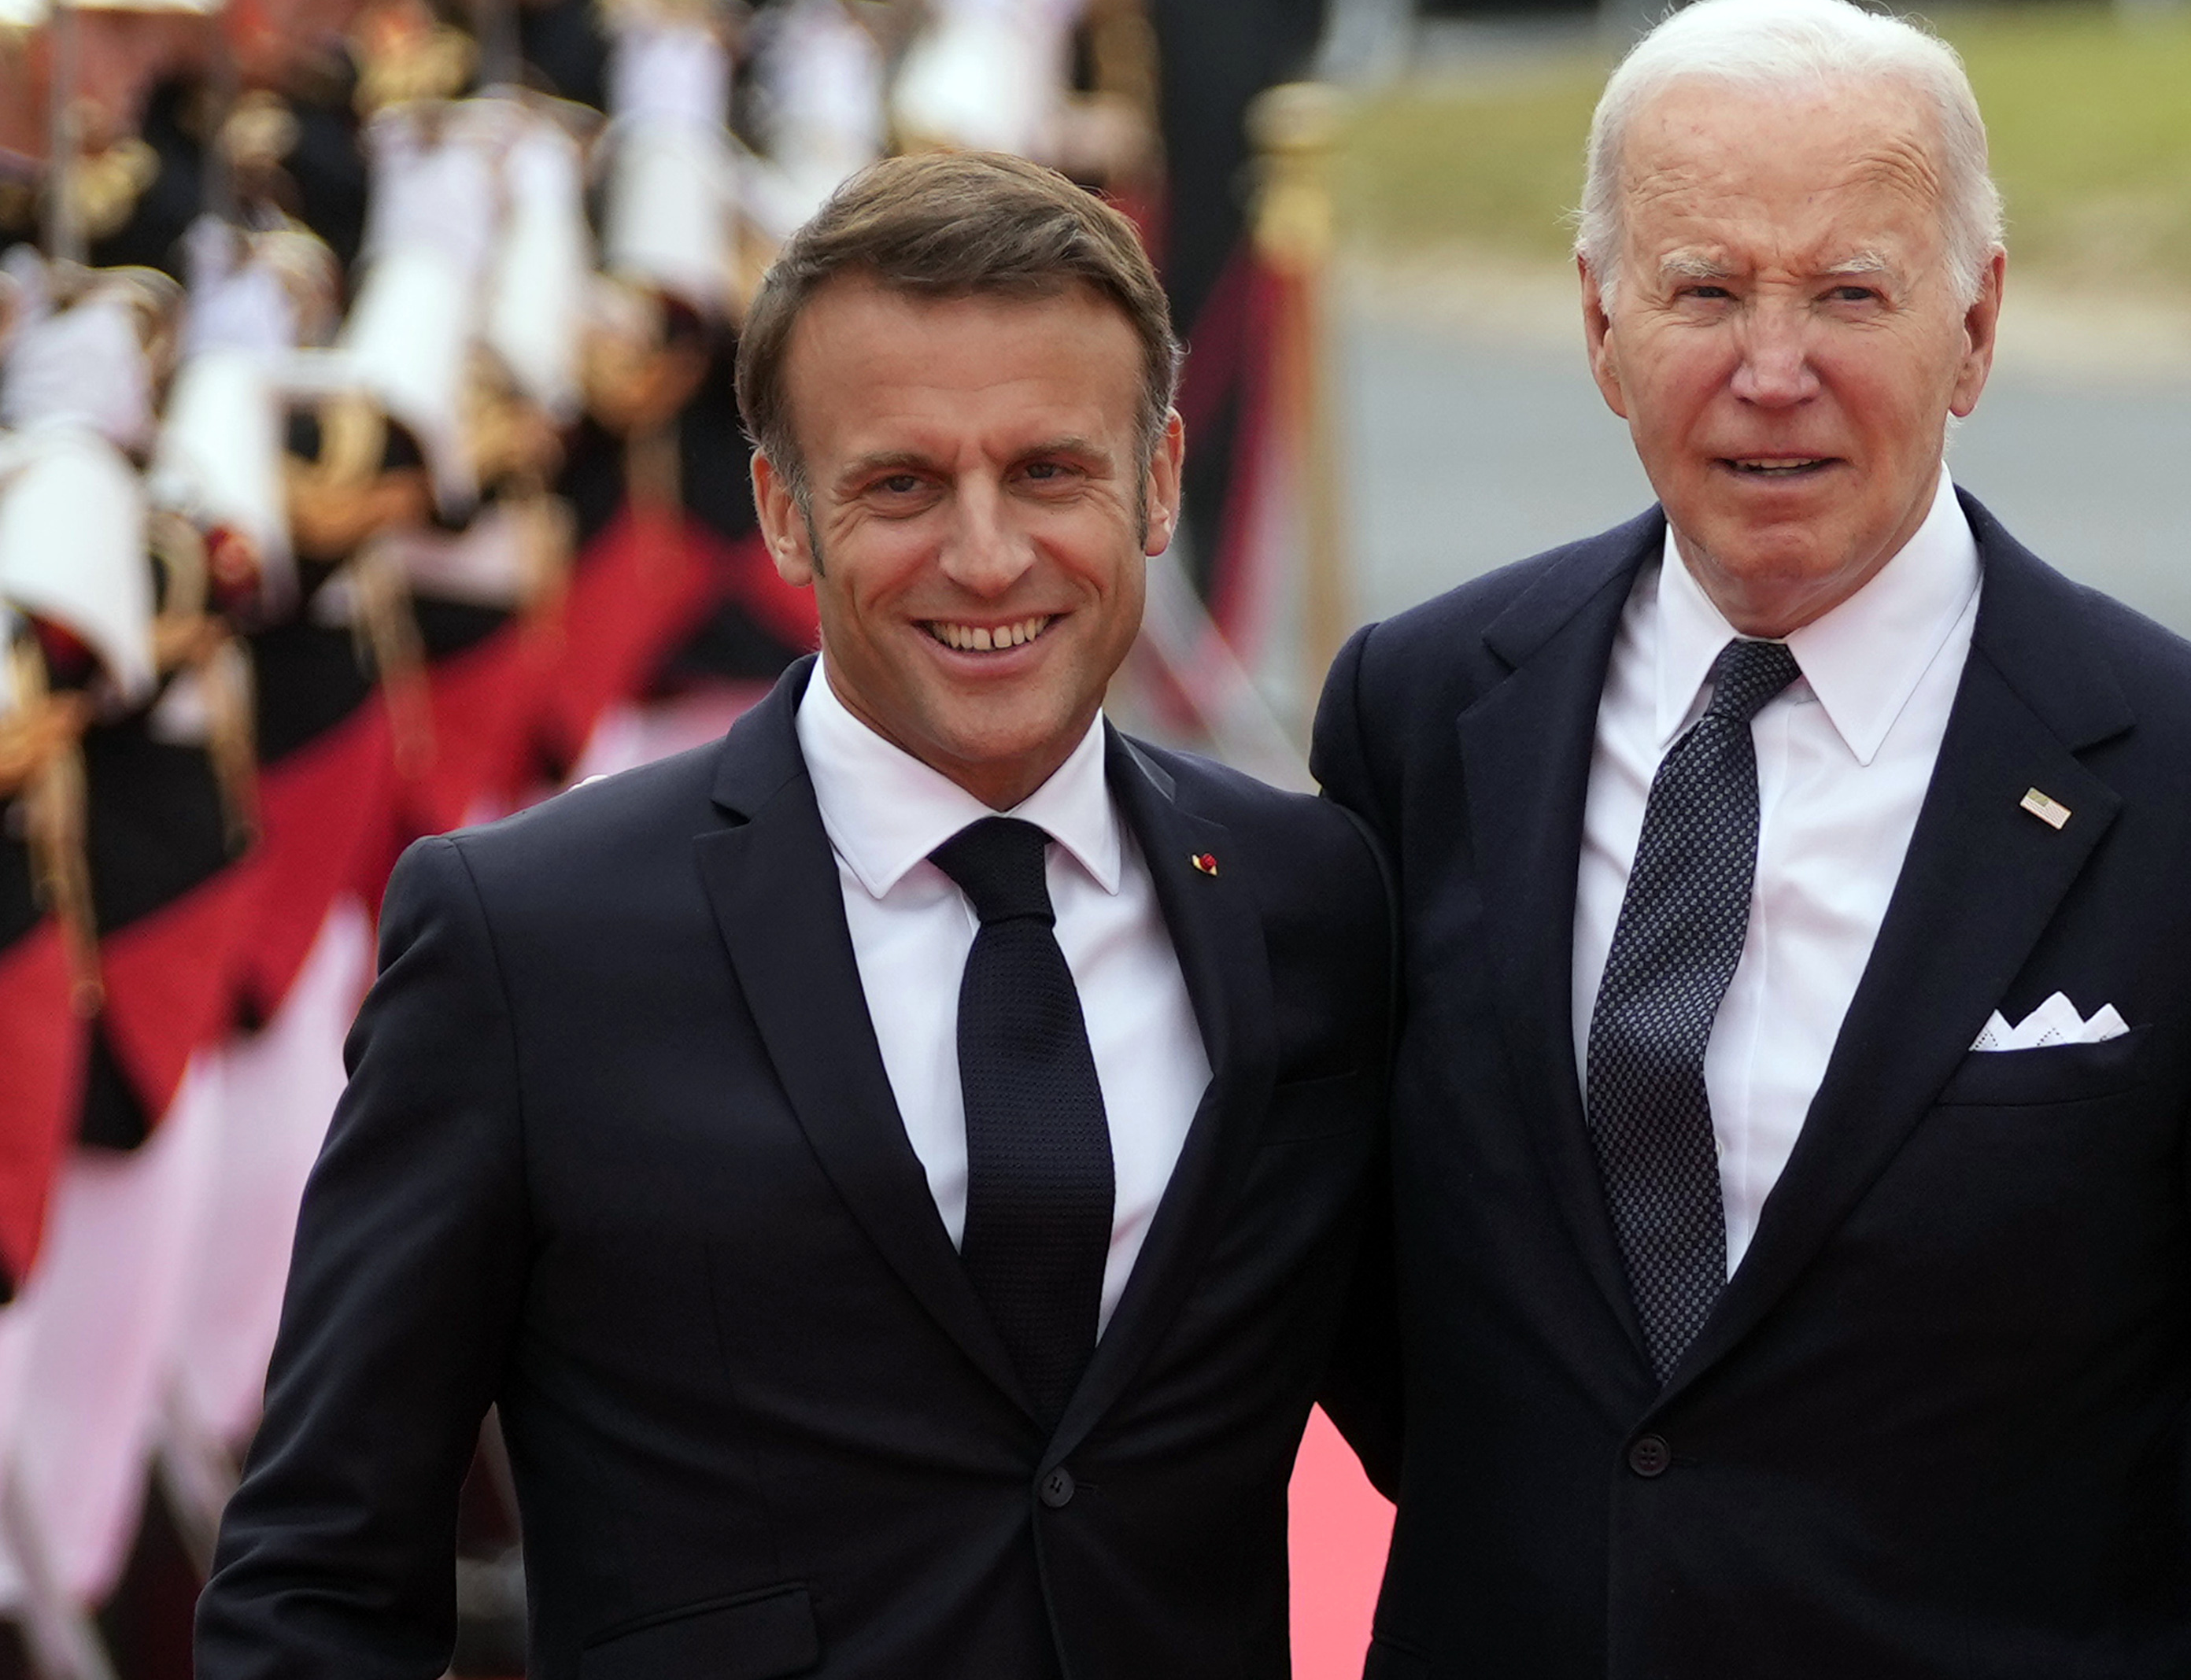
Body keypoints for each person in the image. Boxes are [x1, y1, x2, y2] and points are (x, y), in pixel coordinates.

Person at [1311, 0, 2191, 1679]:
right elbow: (1362, 1302)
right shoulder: (1419, 719)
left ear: (1977, 328)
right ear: (1599, 325)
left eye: (1850, 294)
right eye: (1702, 288)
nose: (1770, 369)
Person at [197, 150, 1395, 1678]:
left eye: (1049, 470)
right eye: (901, 482)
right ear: (783, 511)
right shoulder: (529, 944)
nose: (984, 555)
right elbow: (315, 1579)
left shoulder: (1305, 906)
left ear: (1159, 480)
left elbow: (1489, 1434)